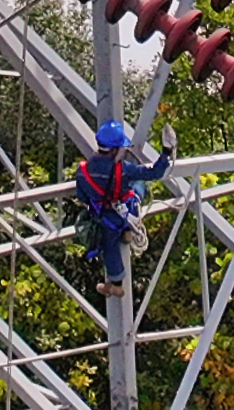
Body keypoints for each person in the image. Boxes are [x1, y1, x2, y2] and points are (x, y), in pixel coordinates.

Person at [70, 115, 170, 287]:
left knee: (110, 246)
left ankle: (116, 283)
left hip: (105, 219)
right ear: (115, 149)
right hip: (127, 213)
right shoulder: (122, 169)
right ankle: (127, 232)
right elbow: (154, 173)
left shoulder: (83, 171)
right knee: (138, 183)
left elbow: (82, 197)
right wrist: (166, 153)